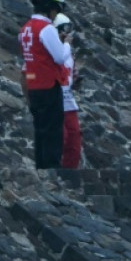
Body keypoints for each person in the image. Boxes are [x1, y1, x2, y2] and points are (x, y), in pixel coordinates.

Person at [19, 0, 67, 169]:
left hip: (33, 85)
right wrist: (66, 44)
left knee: (40, 130)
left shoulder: (25, 29)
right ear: (51, 8)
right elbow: (60, 57)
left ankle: (41, 167)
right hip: (49, 85)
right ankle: (52, 169)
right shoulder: (46, 29)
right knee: (53, 131)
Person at [53, 13, 82, 169]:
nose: (65, 34)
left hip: (68, 103)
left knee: (74, 141)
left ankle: (69, 174)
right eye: (62, 30)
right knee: (60, 137)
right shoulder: (50, 49)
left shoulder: (70, 53)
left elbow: (71, 73)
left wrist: (76, 81)